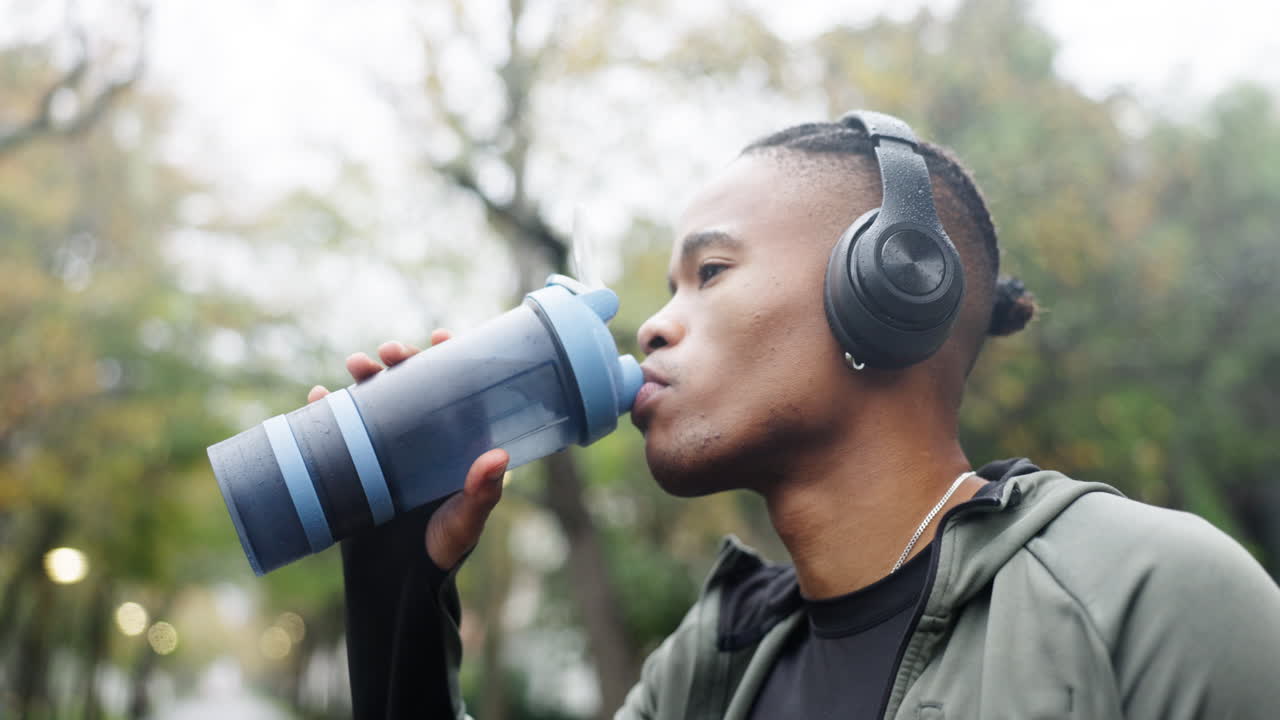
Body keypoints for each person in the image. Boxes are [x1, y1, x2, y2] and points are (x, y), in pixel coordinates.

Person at [309, 112, 1280, 719]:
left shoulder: (1147, 597)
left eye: (709, 273)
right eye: (665, 287)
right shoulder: (713, 662)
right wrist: (398, 578)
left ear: (888, 287)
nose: (651, 326)